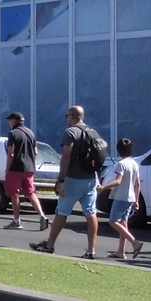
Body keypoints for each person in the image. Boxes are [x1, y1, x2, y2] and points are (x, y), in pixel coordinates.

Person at [30, 106, 101, 259]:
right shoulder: (93, 132)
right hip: (91, 179)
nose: (66, 119)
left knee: (61, 212)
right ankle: (91, 250)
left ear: (73, 116)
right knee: (91, 213)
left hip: (73, 179)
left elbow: (66, 156)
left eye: (67, 116)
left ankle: (50, 245)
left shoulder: (70, 132)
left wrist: (61, 179)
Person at [96, 138, 145, 259]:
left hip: (121, 197)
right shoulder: (134, 163)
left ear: (118, 150)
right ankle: (121, 252)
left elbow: (118, 181)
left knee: (113, 221)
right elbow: (137, 183)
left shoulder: (121, 164)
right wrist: (137, 200)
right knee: (123, 223)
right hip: (130, 197)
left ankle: (135, 243)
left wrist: (103, 187)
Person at [2, 112, 50, 231]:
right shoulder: (30, 133)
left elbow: (11, 153)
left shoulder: (13, 133)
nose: (9, 122)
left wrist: (7, 170)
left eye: (10, 120)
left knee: (14, 194)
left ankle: (17, 221)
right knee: (30, 193)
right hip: (29, 168)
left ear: (14, 121)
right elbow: (36, 151)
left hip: (16, 168)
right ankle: (42, 216)